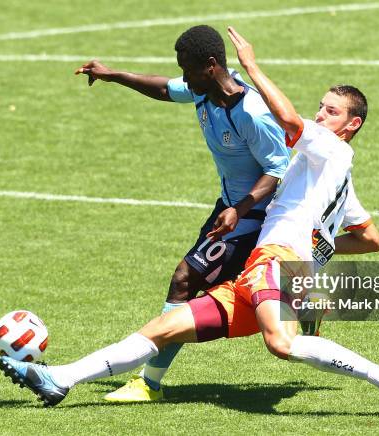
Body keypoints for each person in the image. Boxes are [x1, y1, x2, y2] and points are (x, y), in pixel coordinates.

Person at [0, 27, 379, 411]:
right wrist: (316, 257)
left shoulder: (332, 149)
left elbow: (284, 119)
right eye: (320, 107)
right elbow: (371, 239)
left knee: (281, 344)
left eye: (330, 112)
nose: (320, 115)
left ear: (351, 125)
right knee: (165, 327)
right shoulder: (337, 176)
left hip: (273, 262)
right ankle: (62, 379)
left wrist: (252, 66)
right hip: (265, 274)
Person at [74, 25, 290, 401]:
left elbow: (278, 169)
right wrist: (112, 75)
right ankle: (302, 300)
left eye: (188, 69)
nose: (184, 78)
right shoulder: (202, 92)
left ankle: (148, 384)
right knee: (196, 283)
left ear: (210, 65)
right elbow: (162, 88)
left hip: (255, 216)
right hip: (230, 210)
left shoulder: (251, 112)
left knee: (184, 281)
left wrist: (240, 210)